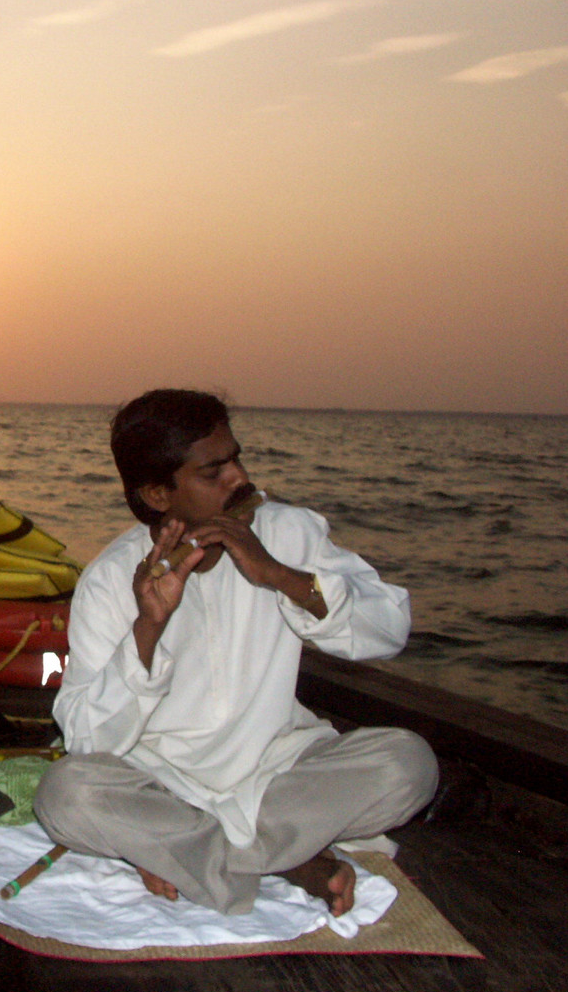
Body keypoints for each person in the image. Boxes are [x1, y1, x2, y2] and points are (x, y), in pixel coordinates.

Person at [33, 389, 438, 917]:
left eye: (236, 459)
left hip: (280, 768)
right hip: (164, 783)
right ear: (158, 495)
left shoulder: (287, 532)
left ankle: (195, 853)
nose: (239, 479)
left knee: (409, 765)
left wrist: (280, 576)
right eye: (213, 471)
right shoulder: (110, 581)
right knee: (66, 795)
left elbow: (390, 628)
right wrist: (148, 628)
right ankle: (287, 856)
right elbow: (87, 740)